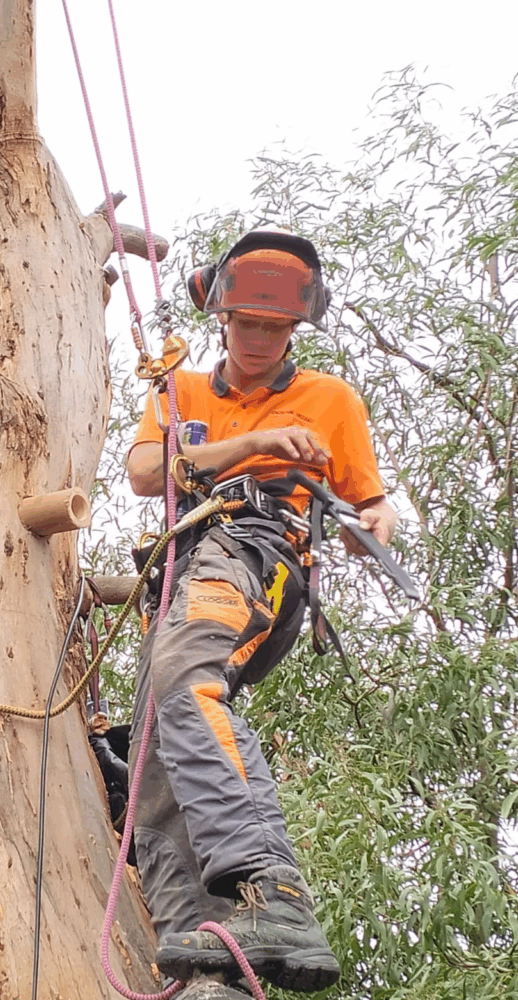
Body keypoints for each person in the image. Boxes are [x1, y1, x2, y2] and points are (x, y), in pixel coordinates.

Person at [125, 230, 397, 997]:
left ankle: (270, 889)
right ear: (220, 316)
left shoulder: (329, 399)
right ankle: (215, 970)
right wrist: (253, 441)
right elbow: (147, 472)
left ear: (294, 331)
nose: (257, 340)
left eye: (273, 329)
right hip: (184, 567)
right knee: (155, 774)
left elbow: (365, 509)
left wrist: (373, 525)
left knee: (184, 684)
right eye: (245, 323)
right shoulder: (183, 391)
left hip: (254, 549)